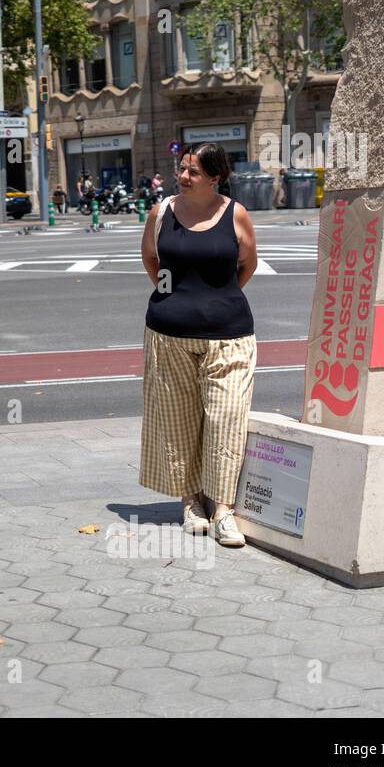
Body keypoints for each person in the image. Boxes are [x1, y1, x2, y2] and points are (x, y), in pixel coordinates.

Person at [139, 141, 258, 549]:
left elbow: (247, 264)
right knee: (179, 421)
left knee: (227, 418)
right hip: (168, 335)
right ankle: (191, 500)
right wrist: (176, 298)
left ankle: (223, 509)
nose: (182, 176)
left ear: (215, 176)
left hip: (230, 337)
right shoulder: (161, 213)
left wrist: (216, 298)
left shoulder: (235, 214)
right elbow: (152, 262)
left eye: (192, 171)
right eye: (181, 168)